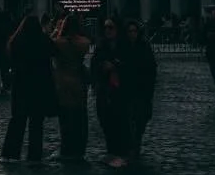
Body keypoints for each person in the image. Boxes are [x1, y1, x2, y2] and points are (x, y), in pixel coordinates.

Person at [0, 15, 56, 163]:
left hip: (21, 84)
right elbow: (54, 51)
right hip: (39, 85)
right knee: (36, 123)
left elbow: (11, 59)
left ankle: (11, 153)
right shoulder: (43, 40)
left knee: (17, 120)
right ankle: (34, 155)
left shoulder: (17, 41)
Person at [50, 15, 91, 162]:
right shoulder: (84, 43)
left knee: (65, 117)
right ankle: (79, 148)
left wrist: (56, 31)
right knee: (80, 115)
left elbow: (51, 44)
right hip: (78, 81)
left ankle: (66, 148)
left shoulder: (58, 43)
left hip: (62, 82)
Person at [91, 18, 129, 166]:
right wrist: (102, 67)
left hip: (121, 91)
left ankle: (122, 152)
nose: (108, 30)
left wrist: (116, 66)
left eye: (111, 27)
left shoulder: (124, 46)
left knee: (121, 122)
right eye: (106, 28)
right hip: (105, 92)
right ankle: (112, 151)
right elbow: (94, 66)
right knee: (106, 123)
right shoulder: (100, 47)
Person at [122, 19, 157, 160]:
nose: (132, 34)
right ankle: (132, 146)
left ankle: (136, 143)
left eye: (134, 31)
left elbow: (151, 68)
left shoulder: (144, 47)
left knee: (140, 120)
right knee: (128, 119)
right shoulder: (122, 47)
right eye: (129, 31)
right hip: (127, 90)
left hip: (141, 90)